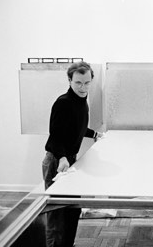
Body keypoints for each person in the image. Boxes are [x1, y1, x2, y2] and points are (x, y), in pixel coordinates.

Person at [42, 61, 104, 247]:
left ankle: (68, 244)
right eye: (78, 82)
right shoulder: (63, 103)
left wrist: (94, 134)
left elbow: (77, 127)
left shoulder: (81, 101)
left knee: (72, 209)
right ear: (69, 81)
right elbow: (55, 136)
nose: (83, 87)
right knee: (57, 213)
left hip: (69, 160)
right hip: (57, 161)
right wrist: (62, 158)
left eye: (86, 83)